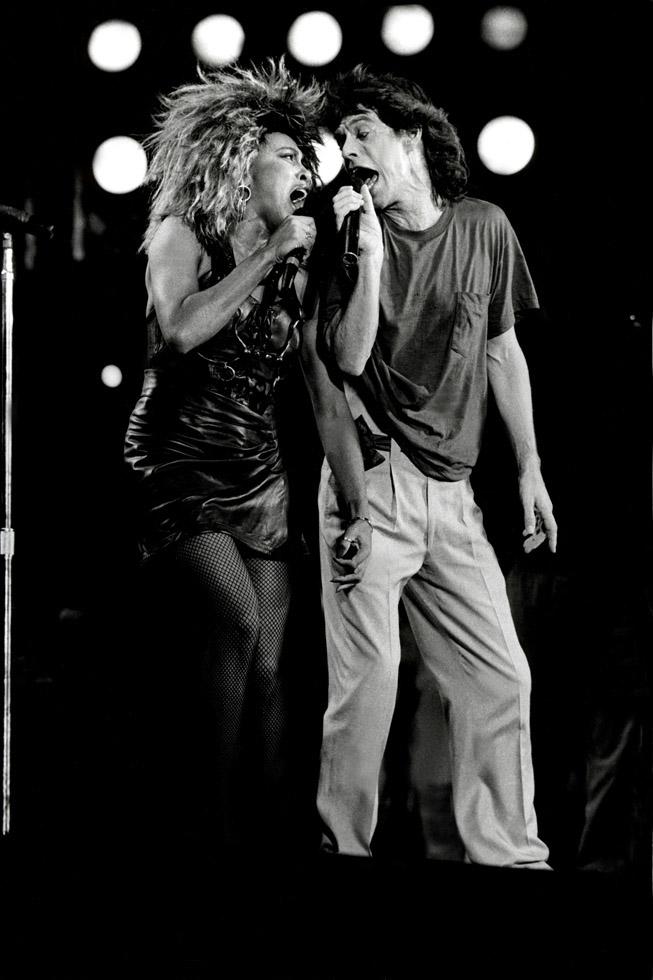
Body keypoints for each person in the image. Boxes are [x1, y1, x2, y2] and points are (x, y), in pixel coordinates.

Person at [311, 64, 558, 867]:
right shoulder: (350, 240)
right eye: (341, 139)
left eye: (361, 134)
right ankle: (344, 851)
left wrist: (528, 469)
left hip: (453, 497)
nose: (349, 152)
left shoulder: (485, 225)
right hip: (372, 479)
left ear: (409, 137)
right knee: (371, 682)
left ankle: (509, 855)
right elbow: (345, 359)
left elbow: (502, 351)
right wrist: (372, 257)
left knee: (499, 680)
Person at [123, 59, 327, 853]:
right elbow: (177, 331)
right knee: (234, 620)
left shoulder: (295, 262)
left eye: (306, 159)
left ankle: (265, 834)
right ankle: (203, 829)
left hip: (258, 467)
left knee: (274, 667)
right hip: (176, 459)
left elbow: (320, 374)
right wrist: (268, 256)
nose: (302, 168)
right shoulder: (185, 231)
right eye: (287, 155)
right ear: (241, 161)